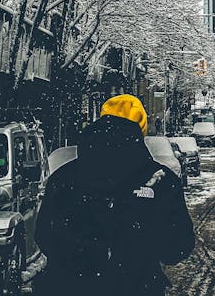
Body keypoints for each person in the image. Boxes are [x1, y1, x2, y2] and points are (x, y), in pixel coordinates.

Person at [35, 94, 195, 296]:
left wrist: (81, 257)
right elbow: (177, 247)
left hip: (71, 287)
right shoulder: (161, 180)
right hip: (138, 287)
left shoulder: (64, 178)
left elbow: (44, 235)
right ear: (141, 129)